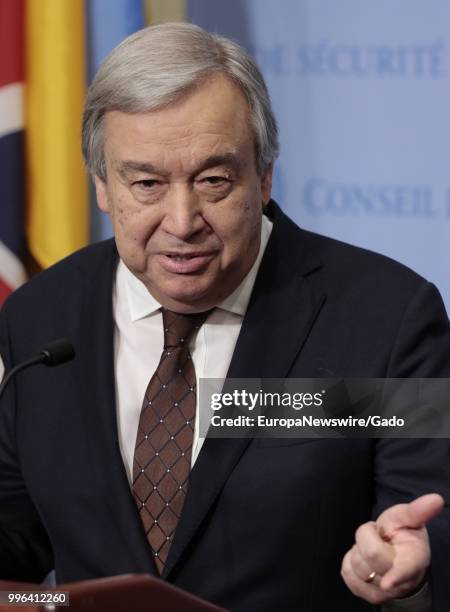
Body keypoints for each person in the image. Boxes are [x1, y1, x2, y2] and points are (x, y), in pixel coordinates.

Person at [0, 22, 449, 612]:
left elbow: (427, 528)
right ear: (103, 187)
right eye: (146, 183)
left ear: (263, 175)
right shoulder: (41, 317)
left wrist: (409, 579)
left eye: (213, 180)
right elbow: (16, 544)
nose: (182, 219)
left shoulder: (385, 317)